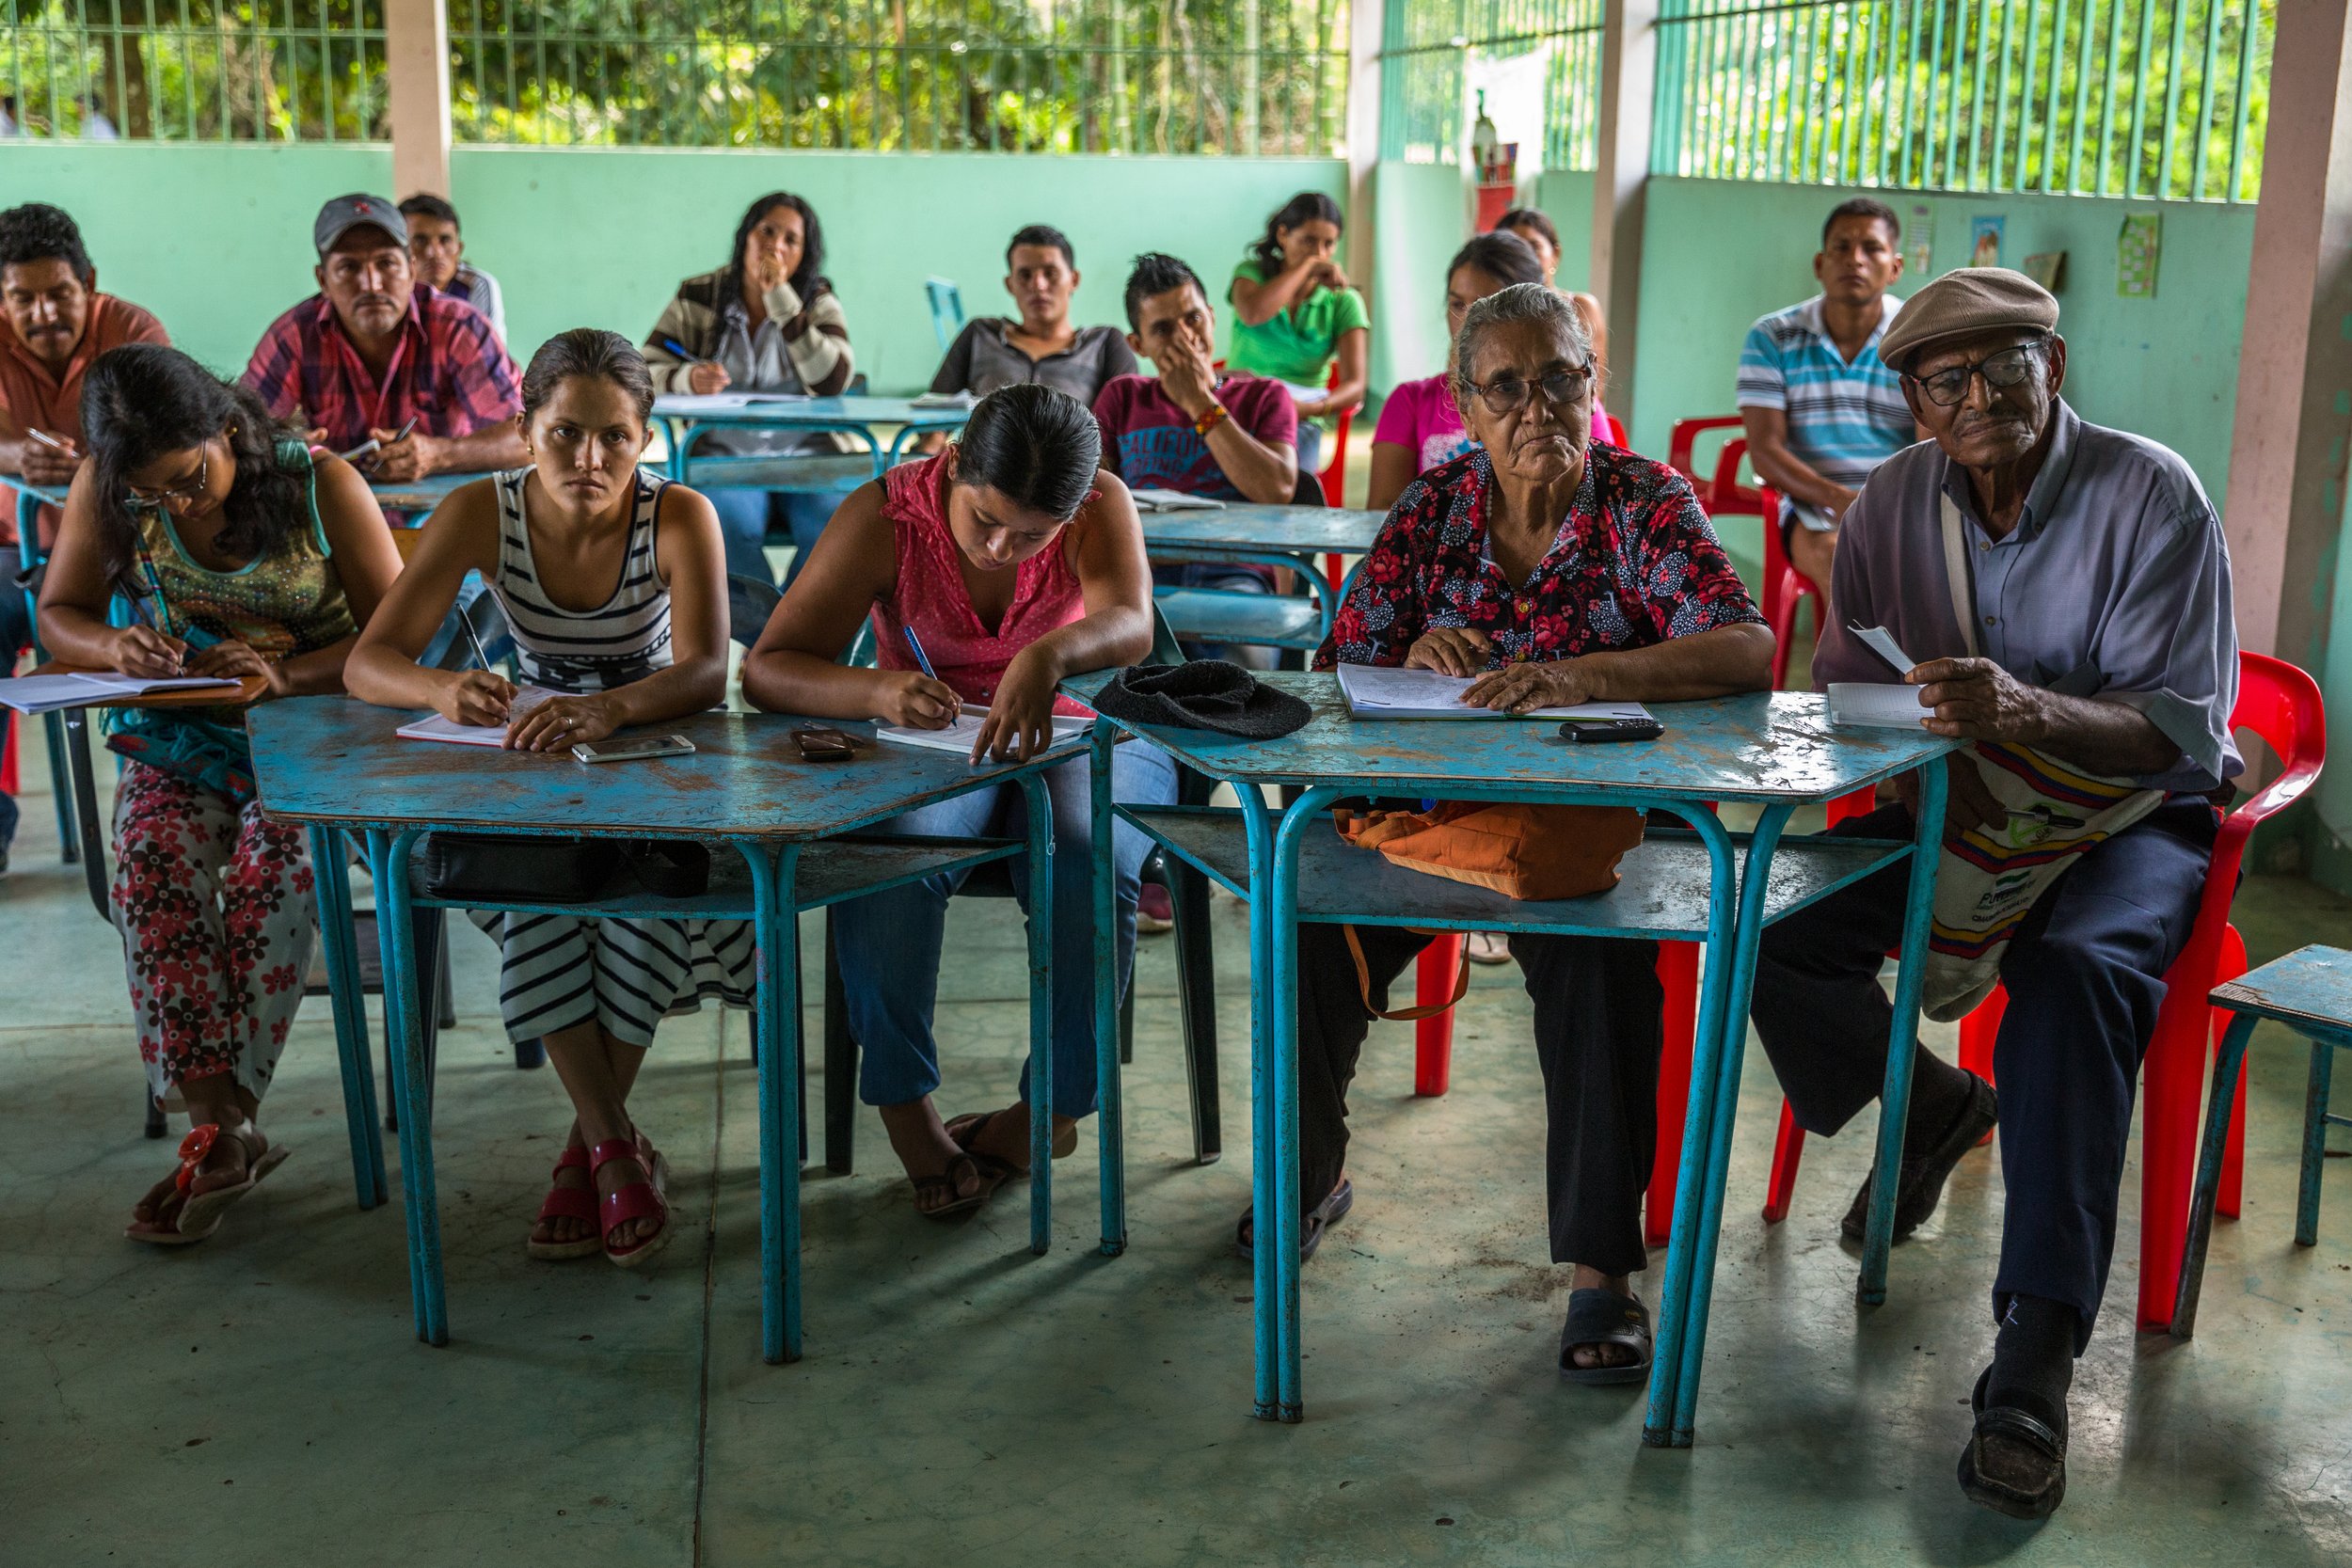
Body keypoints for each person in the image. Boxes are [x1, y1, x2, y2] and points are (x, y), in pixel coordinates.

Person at [1746, 269, 2240, 1520]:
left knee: (2073, 975)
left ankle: (2035, 1346)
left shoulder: (2151, 494)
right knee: (1778, 937)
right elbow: (1852, 683)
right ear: (1913, 402)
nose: (1980, 398)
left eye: (2004, 368)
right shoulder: (1889, 506)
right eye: (1947, 379)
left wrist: (2023, 709)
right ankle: (1936, 1106)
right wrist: (1914, 768)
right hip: (1960, 804)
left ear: (2053, 371)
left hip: (2128, 811)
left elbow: (2176, 730)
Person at [1276, 282, 1772, 1381]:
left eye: (1559, 377)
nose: (1536, 405)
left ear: (1593, 385)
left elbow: (1746, 648)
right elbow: (1338, 666)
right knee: (1301, 922)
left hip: (1579, 839)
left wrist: (1579, 672)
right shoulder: (1431, 512)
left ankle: (1602, 1274)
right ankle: (1307, 1180)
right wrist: (1406, 656)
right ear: (1463, 402)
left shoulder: (1643, 505)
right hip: (1431, 827)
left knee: (1598, 963)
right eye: (1505, 386)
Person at [347, 329, 737, 1269]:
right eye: (564, 433)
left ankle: (589, 1148)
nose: (588, 459)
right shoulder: (482, 512)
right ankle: (611, 1141)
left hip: (657, 752)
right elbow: (370, 661)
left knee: (649, 905)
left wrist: (607, 707)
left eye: (614, 437)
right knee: (537, 903)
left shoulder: (680, 515)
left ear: (647, 439)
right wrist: (443, 689)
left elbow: (706, 670)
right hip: (526, 757)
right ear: (525, 432)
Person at [741, 384, 1175, 1218]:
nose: (1003, 549)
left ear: (1074, 509)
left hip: (1087, 733)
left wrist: (1047, 657)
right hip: (938, 741)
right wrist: (874, 692)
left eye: (1033, 534)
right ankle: (908, 1111)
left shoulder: (1100, 503)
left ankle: (1048, 1112)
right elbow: (770, 667)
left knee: (1085, 857)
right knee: (896, 854)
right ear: (950, 466)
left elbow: (1131, 619)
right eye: (985, 520)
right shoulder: (888, 516)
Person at [36, 343, 403, 1243]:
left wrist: (281, 677)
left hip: (318, 730)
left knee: (275, 868)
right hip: (188, 728)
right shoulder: (113, 487)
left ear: (226, 429)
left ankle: (223, 1126)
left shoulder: (321, 485)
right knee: (152, 858)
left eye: (189, 478)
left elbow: (402, 645)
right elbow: (60, 612)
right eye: (152, 495)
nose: (177, 505)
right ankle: (225, 1126)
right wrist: (114, 647)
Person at [0, 201, 170, 876]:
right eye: (23, 298)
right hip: (15, 553)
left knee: (179, 639)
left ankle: (174, 790)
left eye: (59, 294)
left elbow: (167, 438)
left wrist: (95, 465)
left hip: (125, 552)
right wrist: (14, 456)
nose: (44, 313)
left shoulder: (134, 332)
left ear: (90, 282)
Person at [1095, 251, 1296, 685]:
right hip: (1142, 577)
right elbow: (1092, 494)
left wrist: (1199, 402)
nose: (1185, 338)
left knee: (1244, 690)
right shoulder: (1122, 397)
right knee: (1126, 687)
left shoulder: (1264, 396)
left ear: (1211, 316)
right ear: (1138, 345)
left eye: (1192, 319)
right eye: (1163, 330)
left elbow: (1277, 488)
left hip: (1236, 579)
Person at [643, 192, 850, 592]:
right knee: (725, 530)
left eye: (791, 240)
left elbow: (833, 380)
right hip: (725, 459)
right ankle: (763, 645)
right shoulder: (699, 294)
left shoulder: (816, 298)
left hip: (809, 457)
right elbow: (641, 369)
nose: (775, 246)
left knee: (838, 530)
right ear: (745, 239)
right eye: (767, 232)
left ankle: (790, 638)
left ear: (803, 255)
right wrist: (687, 379)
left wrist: (783, 303)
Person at [243, 194, 526, 483]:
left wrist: (438, 455)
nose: (372, 285)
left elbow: (523, 439)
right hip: (334, 518)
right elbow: (241, 437)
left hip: (443, 517)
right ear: (323, 280)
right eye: (349, 268)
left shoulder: (459, 328)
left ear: (412, 270)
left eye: (387, 263)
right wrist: (286, 449)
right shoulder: (294, 337)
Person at [1737, 197, 1916, 599]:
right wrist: (1839, 499)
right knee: (1844, 564)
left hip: (1899, 507)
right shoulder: (1773, 337)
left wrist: (1890, 508)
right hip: (1812, 509)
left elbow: (1932, 444)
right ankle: (1854, 665)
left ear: (1895, 268)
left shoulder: (1916, 341)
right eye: (1841, 247)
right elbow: (1765, 452)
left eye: (1872, 248)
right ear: (1820, 264)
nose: (1855, 259)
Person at [1367, 230, 1616, 513]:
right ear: (1465, 410)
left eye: (1485, 304)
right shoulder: (1411, 400)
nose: (1466, 321)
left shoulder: (1571, 402)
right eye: (1457, 304)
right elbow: (1386, 514)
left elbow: (1600, 491)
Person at [1225, 192, 1367, 477]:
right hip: (1243, 404)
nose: (1320, 253)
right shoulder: (1250, 274)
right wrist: (1307, 268)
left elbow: (1355, 386)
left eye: (1329, 244)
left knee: (1289, 480)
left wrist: (1312, 408)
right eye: (1308, 241)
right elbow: (1253, 313)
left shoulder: (1343, 300)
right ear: (1282, 235)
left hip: (1300, 414)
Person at [929, 224, 1136, 406]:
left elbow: (1124, 426)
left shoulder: (1105, 343)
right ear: (1010, 285)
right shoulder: (981, 335)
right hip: (987, 451)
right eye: (1025, 275)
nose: (1038, 285)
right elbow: (934, 414)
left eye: (1050, 273)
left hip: (1075, 452)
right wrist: (932, 445)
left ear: (1074, 279)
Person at [1493, 207, 1612, 377]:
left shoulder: (1582, 308)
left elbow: (1596, 385)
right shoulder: (1491, 316)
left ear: (1555, 253)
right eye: (1515, 249)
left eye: (1534, 247)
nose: (1526, 257)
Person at [398, 192, 507, 344]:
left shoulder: (476, 285)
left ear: (459, 249)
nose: (434, 253)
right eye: (420, 240)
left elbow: (487, 357)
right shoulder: (388, 287)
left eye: (445, 240)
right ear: (399, 249)